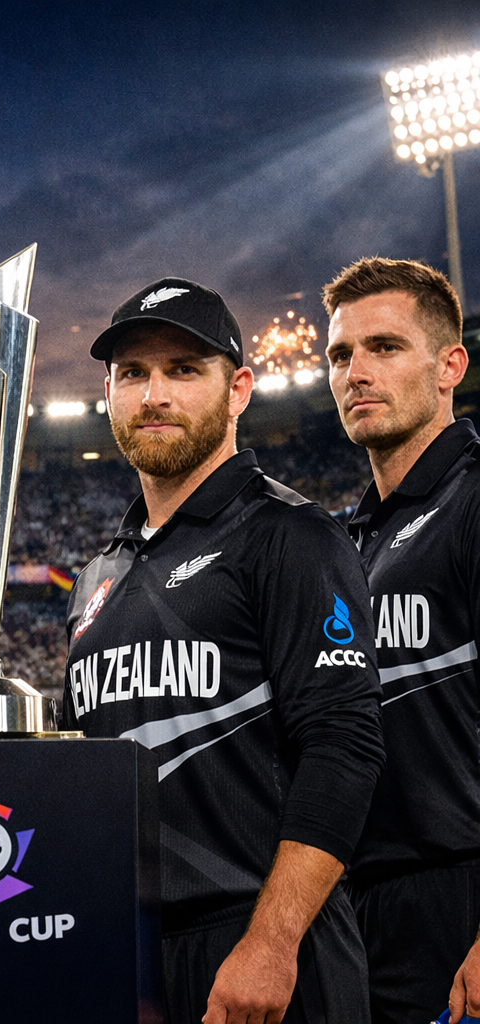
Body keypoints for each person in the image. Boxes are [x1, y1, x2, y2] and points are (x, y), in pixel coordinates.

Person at [62, 277, 385, 1023]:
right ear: (107, 392)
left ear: (238, 388)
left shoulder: (291, 535)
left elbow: (345, 748)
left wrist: (272, 942)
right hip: (138, 952)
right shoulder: (93, 579)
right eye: (132, 374)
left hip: (269, 941)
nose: (154, 396)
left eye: (183, 370)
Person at [323, 257, 480, 1024]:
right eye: (341, 355)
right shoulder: (348, 537)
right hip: (361, 905)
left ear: (450, 365)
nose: (356, 372)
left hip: (459, 896)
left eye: (384, 347)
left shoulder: (474, 497)